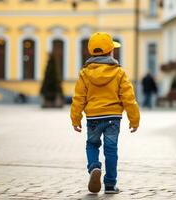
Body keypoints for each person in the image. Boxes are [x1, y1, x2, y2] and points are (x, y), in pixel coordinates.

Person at [70, 32, 140, 194]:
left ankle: (94, 167)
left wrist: (75, 118)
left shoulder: (85, 74)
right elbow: (129, 98)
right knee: (111, 149)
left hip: (93, 117)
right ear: (110, 52)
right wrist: (134, 119)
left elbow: (78, 98)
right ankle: (110, 184)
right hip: (113, 118)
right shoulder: (119, 73)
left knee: (92, 144)